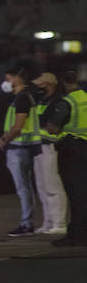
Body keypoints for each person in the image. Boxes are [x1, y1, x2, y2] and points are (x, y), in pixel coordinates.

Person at [39, 68, 87, 246]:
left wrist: (46, 128)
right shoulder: (85, 98)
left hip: (72, 150)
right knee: (84, 193)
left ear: (63, 82)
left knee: (75, 194)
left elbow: (53, 127)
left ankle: (76, 235)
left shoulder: (67, 102)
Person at [0, 62, 41, 236]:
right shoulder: (24, 96)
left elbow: (18, 126)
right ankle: (27, 222)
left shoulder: (23, 98)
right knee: (26, 186)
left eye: (8, 77)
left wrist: (4, 140)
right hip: (24, 147)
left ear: (17, 78)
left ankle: (26, 224)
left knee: (23, 187)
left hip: (19, 147)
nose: (6, 81)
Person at [29, 70, 69, 237]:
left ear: (49, 84)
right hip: (39, 147)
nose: (39, 87)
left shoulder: (58, 101)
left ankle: (59, 223)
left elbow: (54, 126)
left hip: (51, 147)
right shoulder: (41, 100)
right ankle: (48, 222)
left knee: (53, 186)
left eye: (42, 84)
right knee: (42, 187)